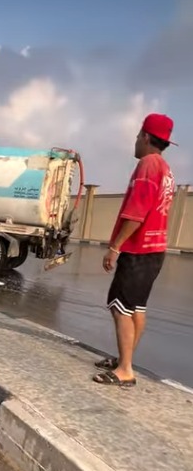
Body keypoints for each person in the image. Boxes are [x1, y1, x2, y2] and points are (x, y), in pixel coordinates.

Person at [93, 113, 176, 387]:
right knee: (136, 307)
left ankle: (125, 370)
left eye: (139, 135)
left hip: (138, 250)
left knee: (120, 307)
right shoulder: (165, 168)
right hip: (155, 250)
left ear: (146, 137)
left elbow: (137, 213)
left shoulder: (148, 165)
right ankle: (123, 360)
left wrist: (115, 247)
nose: (136, 140)